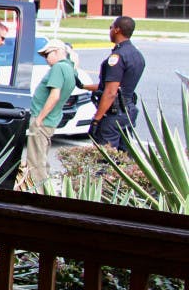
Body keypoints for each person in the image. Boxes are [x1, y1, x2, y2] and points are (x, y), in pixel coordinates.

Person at [79, 16, 145, 151]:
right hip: (128, 111)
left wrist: (97, 119)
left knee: (105, 159)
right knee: (124, 158)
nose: (110, 31)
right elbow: (116, 86)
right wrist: (83, 86)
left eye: (111, 27)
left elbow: (110, 92)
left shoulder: (117, 57)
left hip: (114, 115)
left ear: (117, 30)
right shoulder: (137, 54)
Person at [26, 39, 76, 188]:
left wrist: (39, 119)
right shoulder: (69, 68)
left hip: (43, 120)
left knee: (35, 162)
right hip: (51, 120)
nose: (46, 58)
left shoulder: (58, 68)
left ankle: (38, 192)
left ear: (57, 52)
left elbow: (55, 95)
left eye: (47, 54)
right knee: (41, 159)